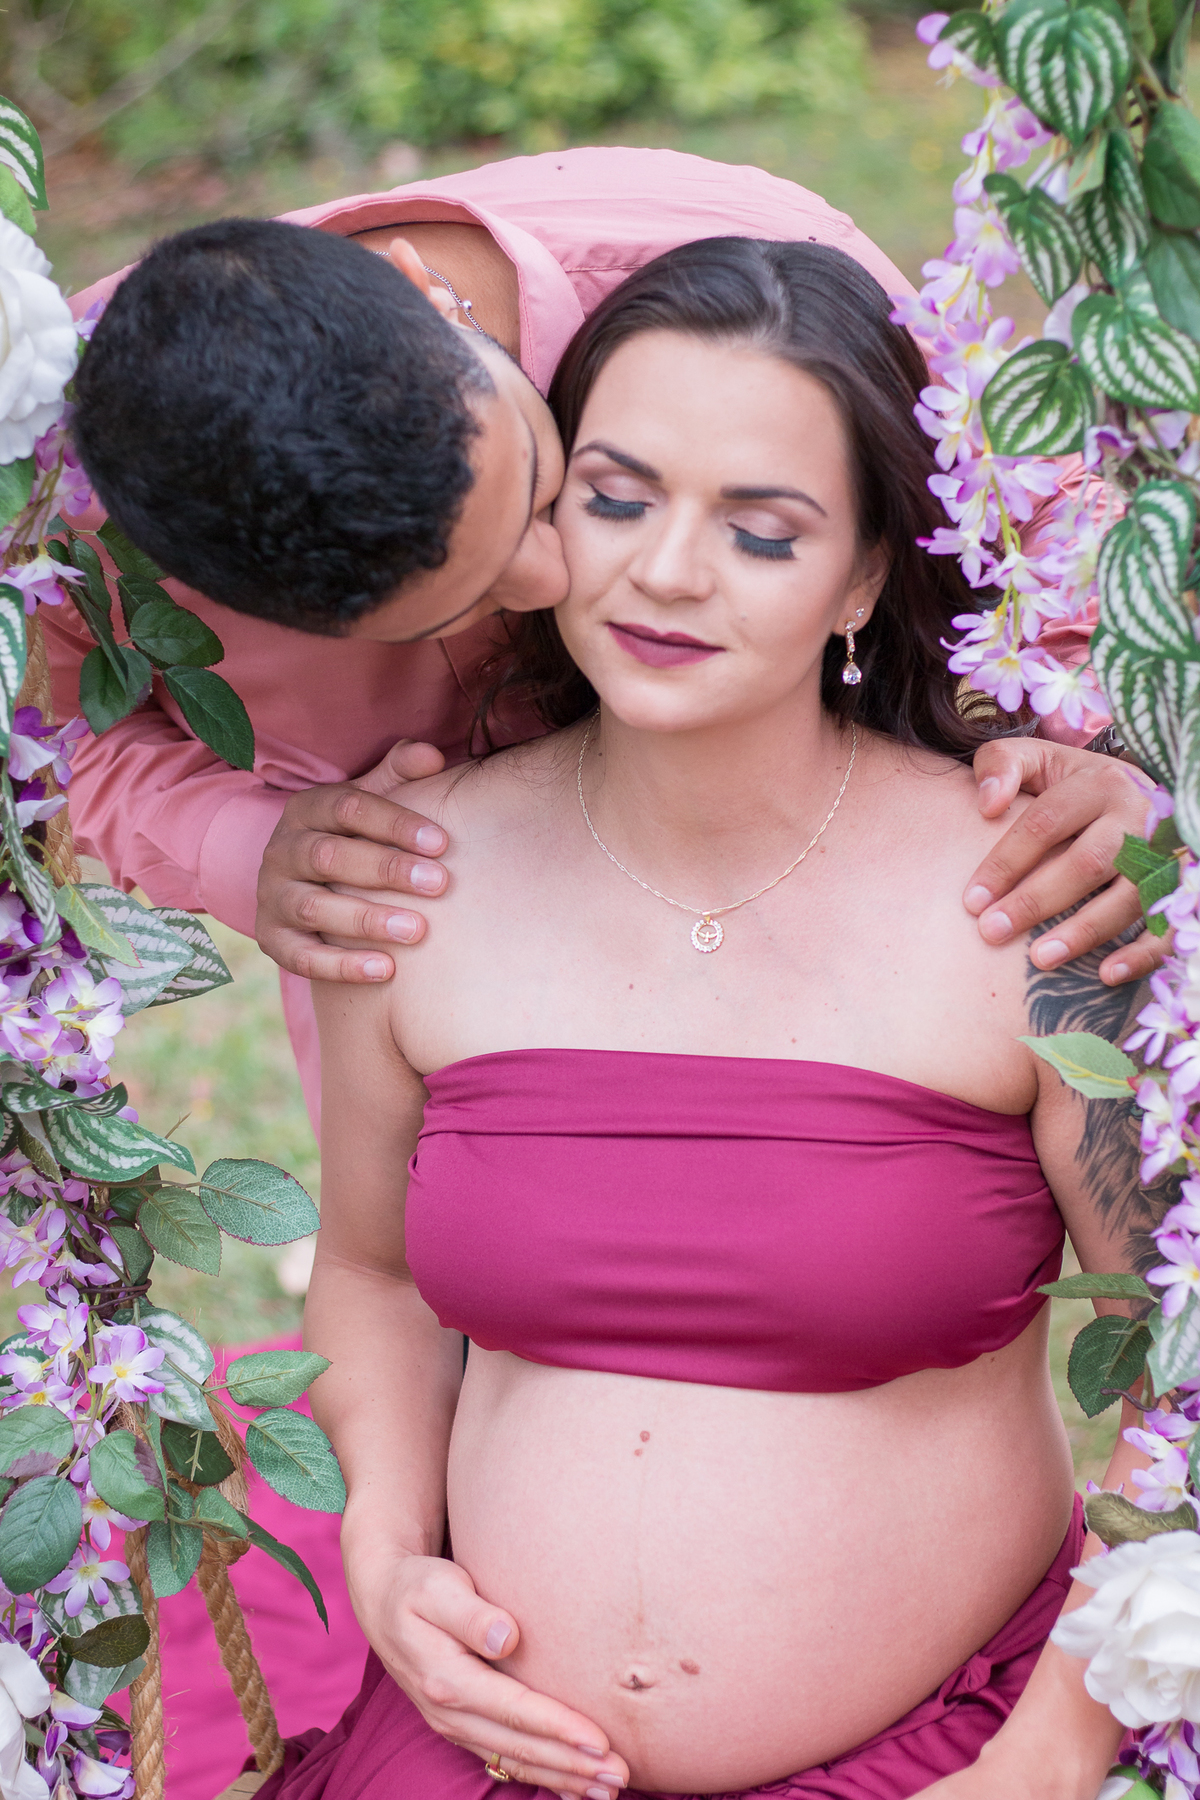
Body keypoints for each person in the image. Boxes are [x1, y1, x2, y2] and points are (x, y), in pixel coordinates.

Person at [265, 238, 1164, 1800]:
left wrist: (1045, 1758)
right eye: (616, 499)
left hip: (954, 1757)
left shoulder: (1032, 897)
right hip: (481, 1750)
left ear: (866, 575)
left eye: (760, 530)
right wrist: (390, 1562)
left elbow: (1184, 1366)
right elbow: (373, 1274)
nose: (667, 572)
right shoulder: (411, 874)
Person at [56, 150, 1155, 1136]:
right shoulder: (56, 508)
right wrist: (246, 849)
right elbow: (52, 730)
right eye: (453, 608)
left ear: (425, 294)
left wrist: (1123, 763)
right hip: (411, 954)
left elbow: (1022, 534)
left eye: (554, 489)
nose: (556, 581)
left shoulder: (753, 279)